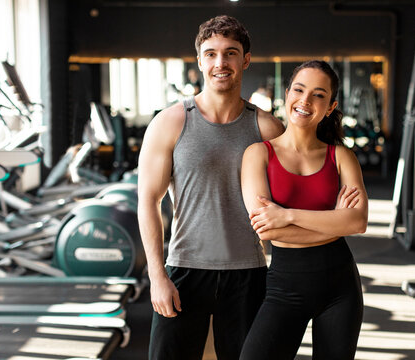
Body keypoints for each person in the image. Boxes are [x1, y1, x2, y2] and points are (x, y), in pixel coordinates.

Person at [137, 15, 284, 360]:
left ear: (245, 60)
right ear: (200, 60)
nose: (221, 62)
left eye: (231, 53)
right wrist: (157, 276)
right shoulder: (171, 121)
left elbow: (292, 194)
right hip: (186, 269)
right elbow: (147, 200)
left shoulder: (266, 126)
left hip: (248, 271)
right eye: (212, 53)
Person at [239, 60, 368, 360]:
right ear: (287, 94)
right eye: (299, 89)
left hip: (341, 287)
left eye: (319, 95)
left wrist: (288, 215)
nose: (306, 101)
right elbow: (267, 230)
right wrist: (334, 222)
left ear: (331, 106)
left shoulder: (341, 157)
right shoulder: (258, 154)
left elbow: (358, 221)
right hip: (285, 287)